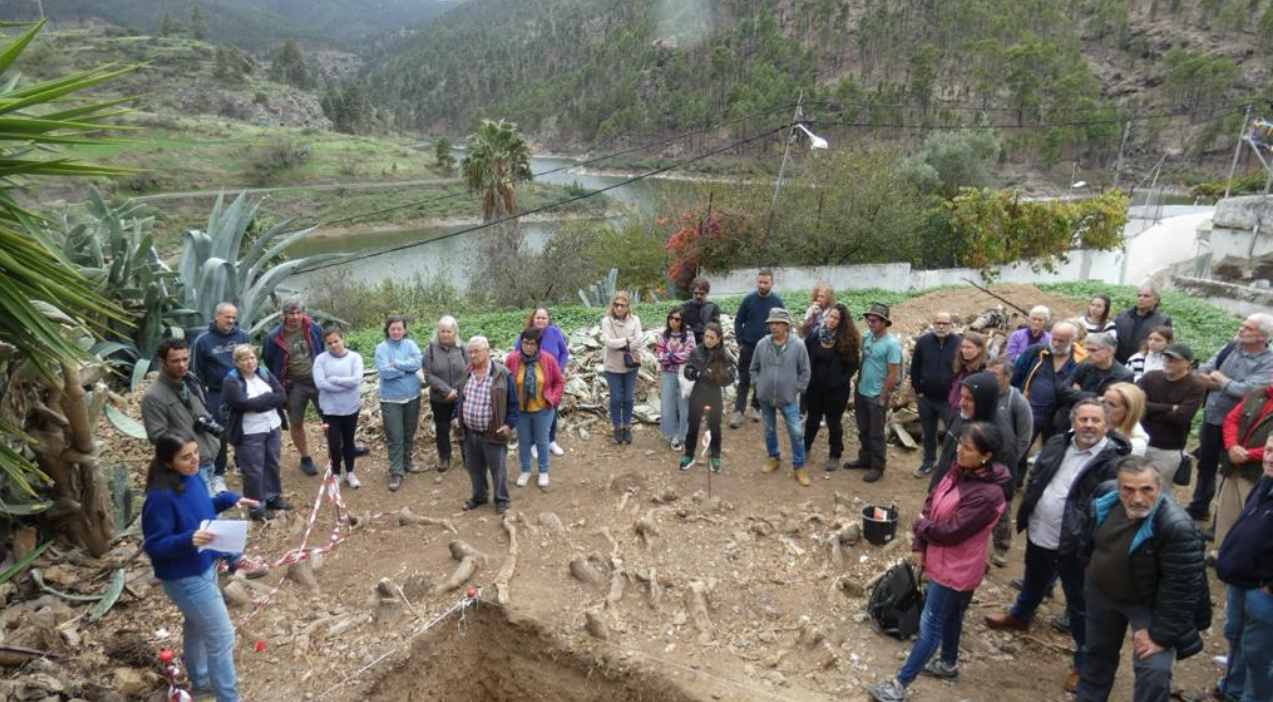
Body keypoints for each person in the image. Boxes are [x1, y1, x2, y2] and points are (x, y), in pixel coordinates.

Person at [985, 399, 1131, 693]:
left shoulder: (1113, 462)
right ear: (1073, 422)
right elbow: (1039, 476)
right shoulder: (1056, 442)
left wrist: (1091, 544)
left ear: (1107, 425)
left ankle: (1084, 663)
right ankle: (1021, 615)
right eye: (1083, 419)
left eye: (1095, 420)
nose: (1089, 425)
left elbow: (1110, 508)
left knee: (1078, 601)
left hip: (1076, 540)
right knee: (1034, 576)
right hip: (1042, 528)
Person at [867, 423, 1009, 702]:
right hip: (945, 562)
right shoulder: (960, 471)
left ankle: (899, 685)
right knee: (953, 616)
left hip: (957, 570)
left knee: (930, 624)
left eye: (968, 448)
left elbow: (952, 532)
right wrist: (920, 542)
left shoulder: (989, 495)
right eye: (960, 443)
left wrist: (921, 529)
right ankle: (948, 664)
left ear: (986, 455)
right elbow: (931, 503)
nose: (959, 450)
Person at [1076, 456, 1210, 702]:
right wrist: (1088, 564)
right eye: (1129, 489)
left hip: (1149, 603)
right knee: (1096, 653)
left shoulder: (1176, 526)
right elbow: (1086, 531)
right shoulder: (1104, 497)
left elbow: (1182, 589)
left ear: (1159, 487)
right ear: (1118, 488)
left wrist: (1160, 636)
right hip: (1101, 592)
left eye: (1146, 489)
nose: (1138, 498)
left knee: (1154, 670)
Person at [142, 434, 260, 702]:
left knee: (196, 627)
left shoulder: (192, 478)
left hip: (205, 566)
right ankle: (228, 698)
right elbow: (155, 546)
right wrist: (188, 539)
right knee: (221, 636)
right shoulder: (159, 497)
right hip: (185, 578)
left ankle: (202, 682)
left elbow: (203, 507)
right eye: (186, 457)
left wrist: (229, 499)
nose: (195, 460)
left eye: (195, 452)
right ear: (167, 462)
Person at [1188, 313, 1273, 522]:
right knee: (1205, 466)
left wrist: (1220, 379)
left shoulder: (1269, 362)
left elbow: (1248, 392)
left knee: (1231, 473)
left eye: (1248, 328)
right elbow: (1201, 373)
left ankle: (1222, 520)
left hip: (1240, 427)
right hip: (1212, 415)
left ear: (1262, 337)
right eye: (1242, 325)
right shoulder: (1230, 347)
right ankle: (1199, 507)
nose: (1241, 329)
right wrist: (1226, 383)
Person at [1214, 434, 1273, 702]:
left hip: (1264, 592)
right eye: (1270, 450)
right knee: (1234, 635)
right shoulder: (1265, 483)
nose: (1270, 458)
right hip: (1240, 578)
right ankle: (1231, 689)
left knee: (1257, 654)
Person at [142, 338, 222, 489]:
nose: (182, 365)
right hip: (186, 469)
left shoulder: (191, 380)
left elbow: (202, 410)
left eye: (185, 359)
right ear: (162, 362)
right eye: (175, 361)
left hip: (207, 458)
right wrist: (186, 446)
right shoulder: (153, 396)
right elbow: (157, 437)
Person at [222, 345, 288, 521]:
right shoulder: (231, 381)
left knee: (272, 462)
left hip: (272, 426)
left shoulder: (264, 373)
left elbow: (281, 396)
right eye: (244, 359)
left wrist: (259, 403)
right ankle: (256, 507)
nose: (250, 362)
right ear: (236, 362)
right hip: (249, 431)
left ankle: (273, 497)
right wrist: (268, 398)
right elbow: (242, 404)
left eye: (252, 357)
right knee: (253, 470)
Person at [453, 336, 518, 515]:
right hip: (469, 432)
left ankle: (502, 500)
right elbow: (460, 400)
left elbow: (513, 403)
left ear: (487, 352)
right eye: (470, 352)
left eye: (477, 351)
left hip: (493, 432)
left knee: (498, 470)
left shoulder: (502, 374)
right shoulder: (466, 373)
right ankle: (479, 496)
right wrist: (455, 417)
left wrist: (509, 425)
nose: (473, 355)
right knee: (474, 468)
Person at [261, 297, 325, 477]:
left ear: (303, 313)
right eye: (291, 313)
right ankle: (305, 458)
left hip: (318, 382)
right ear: (284, 314)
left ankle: (337, 452)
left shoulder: (314, 328)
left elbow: (322, 348)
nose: (295, 316)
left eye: (298, 312)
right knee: (296, 422)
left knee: (329, 417)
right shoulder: (273, 337)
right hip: (294, 385)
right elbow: (269, 359)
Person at [191, 302, 248, 494]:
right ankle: (218, 474)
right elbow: (195, 372)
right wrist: (200, 397)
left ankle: (242, 464)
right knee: (219, 434)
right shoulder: (203, 340)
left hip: (242, 389)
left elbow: (251, 360)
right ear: (217, 316)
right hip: (216, 393)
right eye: (227, 317)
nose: (231, 321)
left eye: (234, 317)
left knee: (243, 428)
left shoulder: (242, 336)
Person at [752, 308, 812, 485]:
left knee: (796, 432)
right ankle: (773, 457)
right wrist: (759, 383)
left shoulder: (798, 345)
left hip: (788, 398)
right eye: (771, 323)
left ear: (786, 325)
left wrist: (797, 388)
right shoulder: (762, 344)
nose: (774, 327)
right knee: (769, 428)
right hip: (766, 397)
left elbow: (805, 371)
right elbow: (753, 368)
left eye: (778, 323)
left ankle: (799, 466)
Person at [845, 303, 902, 483]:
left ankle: (878, 465)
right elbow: (863, 359)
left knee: (876, 433)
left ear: (885, 322)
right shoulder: (866, 337)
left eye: (875, 320)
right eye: (869, 320)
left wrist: (883, 395)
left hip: (877, 394)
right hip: (862, 391)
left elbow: (893, 373)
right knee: (863, 429)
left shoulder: (892, 345)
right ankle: (865, 458)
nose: (871, 323)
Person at [987, 356, 1034, 567]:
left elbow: (1025, 436)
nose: (990, 378)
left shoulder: (1018, 402)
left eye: (995, 375)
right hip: (980, 459)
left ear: (1008, 377)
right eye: (988, 373)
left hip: (1004, 464)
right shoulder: (984, 395)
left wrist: (1011, 459)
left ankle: (1001, 547)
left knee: (1002, 506)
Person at [1138, 343, 1206, 484]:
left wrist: (1148, 409)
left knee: (1159, 489)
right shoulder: (1151, 377)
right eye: (1166, 358)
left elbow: (1182, 417)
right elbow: (1135, 405)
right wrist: (1169, 408)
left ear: (1188, 362)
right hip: (1141, 440)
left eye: (1174, 359)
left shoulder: (1196, 386)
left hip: (1168, 447)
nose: (1169, 362)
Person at [1216, 380, 1273, 548]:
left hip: (1260, 473)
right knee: (1226, 512)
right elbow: (1231, 419)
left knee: (1253, 520)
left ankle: (1243, 561)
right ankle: (1221, 552)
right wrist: (1232, 446)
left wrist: (1248, 455)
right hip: (1235, 466)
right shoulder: (1258, 394)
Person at [506, 327, 565, 488]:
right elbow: (505, 381)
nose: (528, 347)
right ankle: (525, 470)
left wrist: (553, 398)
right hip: (521, 410)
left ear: (538, 345)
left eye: (532, 344)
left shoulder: (547, 360)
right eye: (525, 343)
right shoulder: (512, 359)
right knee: (524, 441)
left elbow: (559, 381)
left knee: (542, 441)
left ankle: (543, 471)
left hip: (543, 409)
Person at [804, 303, 860, 473]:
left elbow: (853, 365)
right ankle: (805, 448)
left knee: (833, 422)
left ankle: (835, 454)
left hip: (836, 392)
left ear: (842, 322)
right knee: (812, 419)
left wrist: (840, 380)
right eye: (830, 316)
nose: (832, 320)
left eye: (836, 318)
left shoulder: (846, 341)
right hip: (814, 388)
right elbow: (804, 356)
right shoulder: (814, 336)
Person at [1012, 320, 1079, 447]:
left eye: (1061, 341)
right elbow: (1015, 375)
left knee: (1051, 452)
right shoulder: (1035, 352)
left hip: (1057, 419)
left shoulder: (1079, 361)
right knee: (1019, 449)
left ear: (1072, 340)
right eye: (1054, 339)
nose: (1056, 343)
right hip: (1030, 413)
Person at [375, 316, 423, 492]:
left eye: (399, 328)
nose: (396, 332)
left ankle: (407, 461)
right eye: (393, 328)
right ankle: (396, 471)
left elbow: (418, 362)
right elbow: (385, 372)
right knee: (395, 435)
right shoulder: (382, 348)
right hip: (391, 398)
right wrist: (406, 369)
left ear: (404, 330)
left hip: (412, 396)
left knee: (409, 431)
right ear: (387, 329)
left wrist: (397, 364)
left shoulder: (410, 345)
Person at [910, 312, 961, 478]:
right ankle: (928, 462)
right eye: (938, 322)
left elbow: (963, 369)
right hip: (926, 398)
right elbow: (915, 367)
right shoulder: (924, 342)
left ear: (951, 325)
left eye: (945, 323)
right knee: (928, 433)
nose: (941, 326)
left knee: (953, 434)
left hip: (949, 400)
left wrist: (958, 394)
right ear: (933, 324)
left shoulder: (959, 343)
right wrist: (918, 390)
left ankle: (950, 466)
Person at [732, 269, 785, 428]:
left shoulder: (777, 302)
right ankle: (738, 411)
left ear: (771, 283)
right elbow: (738, 321)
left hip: (767, 348)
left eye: (765, 282)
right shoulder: (748, 300)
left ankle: (755, 407)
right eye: (760, 282)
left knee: (761, 380)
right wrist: (740, 341)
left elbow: (784, 325)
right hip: (747, 346)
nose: (762, 285)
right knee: (744, 380)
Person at [313, 327, 364, 489]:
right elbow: (320, 383)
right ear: (325, 344)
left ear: (343, 339)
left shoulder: (355, 358)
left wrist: (333, 379)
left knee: (349, 441)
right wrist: (345, 384)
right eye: (329, 343)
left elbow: (356, 380)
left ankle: (350, 472)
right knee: (334, 443)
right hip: (330, 409)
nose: (334, 345)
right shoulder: (321, 359)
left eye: (336, 341)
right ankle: (336, 473)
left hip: (350, 407)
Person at [681, 322, 736, 473]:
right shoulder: (696, 351)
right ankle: (689, 454)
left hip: (714, 392)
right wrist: (697, 373)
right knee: (692, 424)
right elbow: (688, 370)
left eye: (712, 337)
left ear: (719, 339)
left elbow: (732, 375)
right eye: (706, 336)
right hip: (698, 391)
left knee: (715, 427)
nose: (708, 340)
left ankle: (715, 456)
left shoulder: (725, 354)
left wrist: (720, 375)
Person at [516, 307, 569, 456]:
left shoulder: (554, 332)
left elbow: (564, 353)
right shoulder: (526, 334)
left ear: (548, 319)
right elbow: (515, 354)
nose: (540, 320)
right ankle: (533, 443)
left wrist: (558, 370)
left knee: (551, 410)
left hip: (552, 381)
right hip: (532, 380)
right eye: (538, 317)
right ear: (533, 319)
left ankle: (551, 440)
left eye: (543, 318)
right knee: (532, 411)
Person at [1057, 332, 1134, 425]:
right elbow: (1062, 390)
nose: (1088, 354)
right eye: (1087, 349)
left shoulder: (1123, 375)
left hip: (1099, 423)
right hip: (1069, 418)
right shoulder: (1086, 364)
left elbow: (1110, 405)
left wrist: (1077, 393)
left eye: (1093, 350)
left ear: (1109, 351)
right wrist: (1096, 397)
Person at [424, 316, 468, 473]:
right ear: (438, 331)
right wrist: (446, 390)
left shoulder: (462, 348)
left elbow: (469, 371)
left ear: (454, 332)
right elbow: (428, 375)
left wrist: (455, 391)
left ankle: (467, 455)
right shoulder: (430, 350)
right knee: (442, 428)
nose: (445, 334)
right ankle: (444, 456)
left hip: (461, 396)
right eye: (442, 331)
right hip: (439, 398)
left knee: (462, 426)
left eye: (448, 331)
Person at [601, 291, 642, 445]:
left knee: (629, 397)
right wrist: (626, 340)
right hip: (612, 366)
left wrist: (620, 344)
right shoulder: (607, 321)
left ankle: (627, 426)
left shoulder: (635, 319)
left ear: (627, 306)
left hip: (631, 366)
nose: (619, 308)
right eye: (616, 305)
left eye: (622, 305)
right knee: (616, 397)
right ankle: (617, 427)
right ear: (613, 305)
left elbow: (639, 341)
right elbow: (608, 343)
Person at [656, 308, 695, 451]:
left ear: (682, 321)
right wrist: (674, 358)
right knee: (668, 406)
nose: (673, 321)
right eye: (671, 318)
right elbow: (660, 356)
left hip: (685, 374)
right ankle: (673, 435)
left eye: (677, 319)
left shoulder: (689, 335)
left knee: (684, 405)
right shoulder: (663, 335)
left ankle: (684, 434)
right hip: (668, 375)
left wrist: (670, 357)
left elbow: (689, 353)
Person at [1113, 286, 1173, 365]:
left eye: (1146, 296)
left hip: (1145, 364)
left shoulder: (1163, 320)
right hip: (1118, 362)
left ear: (1156, 300)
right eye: (1139, 296)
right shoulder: (1123, 316)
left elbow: (1167, 345)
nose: (1141, 298)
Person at [1103, 382, 1149, 457]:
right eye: (1103, 402)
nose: (1104, 408)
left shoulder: (1135, 443)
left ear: (1129, 411)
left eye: (1112, 405)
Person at [948, 331, 987, 415]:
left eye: (969, 347)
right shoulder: (963, 366)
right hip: (953, 412)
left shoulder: (982, 372)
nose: (964, 351)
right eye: (963, 347)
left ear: (980, 349)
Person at [678, 277, 721, 346]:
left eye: (702, 294)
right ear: (692, 292)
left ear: (707, 293)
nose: (698, 296)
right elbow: (680, 328)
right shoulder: (684, 308)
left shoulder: (713, 308)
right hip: (688, 343)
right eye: (696, 293)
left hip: (707, 344)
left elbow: (716, 329)